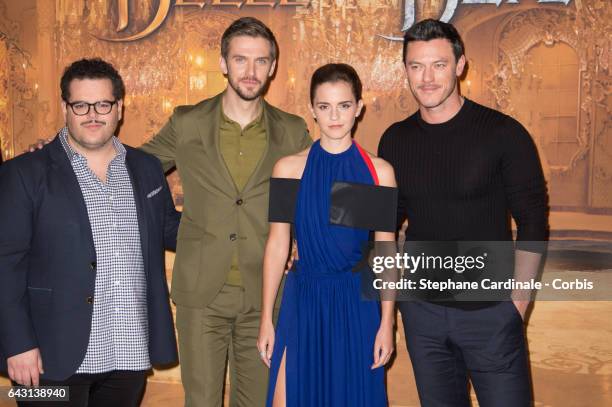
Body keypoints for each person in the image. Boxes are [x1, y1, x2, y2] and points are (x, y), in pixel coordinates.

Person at [140, 17, 312, 406]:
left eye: (260, 61)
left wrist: (304, 241)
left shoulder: (293, 130)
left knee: (255, 402)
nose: (250, 72)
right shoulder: (187, 122)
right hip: (202, 293)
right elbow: (132, 167)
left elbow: (317, 194)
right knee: (200, 401)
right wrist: (69, 155)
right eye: (240, 60)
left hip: (267, 295)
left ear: (272, 67)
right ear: (223, 64)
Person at [377, 19, 549, 406]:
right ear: (405, 70)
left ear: (460, 65)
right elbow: (382, 222)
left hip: (491, 313)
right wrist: (309, 241)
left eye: (438, 64)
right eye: (416, 66)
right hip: (422, 315)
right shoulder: (395, 139)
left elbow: (533, 222)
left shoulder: (504, 133)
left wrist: (516, 306)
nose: (426, 78)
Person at [0, 58, 180, 406]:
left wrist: (255, 233)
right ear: (65, 107)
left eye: (103, 104)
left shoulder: (145, 168)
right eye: (81, 105)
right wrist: (17, 343)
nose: (92, 114)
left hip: (127, 353)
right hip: (46, 359)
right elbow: (4, 265)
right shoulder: (23, 173)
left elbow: (171, 229)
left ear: (119, 108)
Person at [257, 63, 397, 407]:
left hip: (355, 301)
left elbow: (385, 253)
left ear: (359, 107)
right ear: (312, 110)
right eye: (324, 106)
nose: (335, 116)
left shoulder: (377, 172)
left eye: (344, 105)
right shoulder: (289, 168)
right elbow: (278, 244)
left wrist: (387, 322)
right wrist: (266, 318)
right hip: (302, 298)